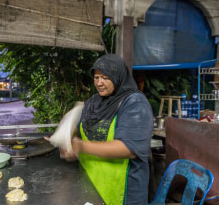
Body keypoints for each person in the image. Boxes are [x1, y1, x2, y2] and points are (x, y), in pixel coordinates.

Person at [58, 54, 153, 205]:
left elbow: (129, 148)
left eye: (105, 77)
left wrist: (80, 146)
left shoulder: (135, 104)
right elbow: (80, 128)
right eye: (96, 77)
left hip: (123, 192)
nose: (99, 83)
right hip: (92, 184)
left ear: (118, 76)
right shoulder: (93, 102)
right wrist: (66, 136)